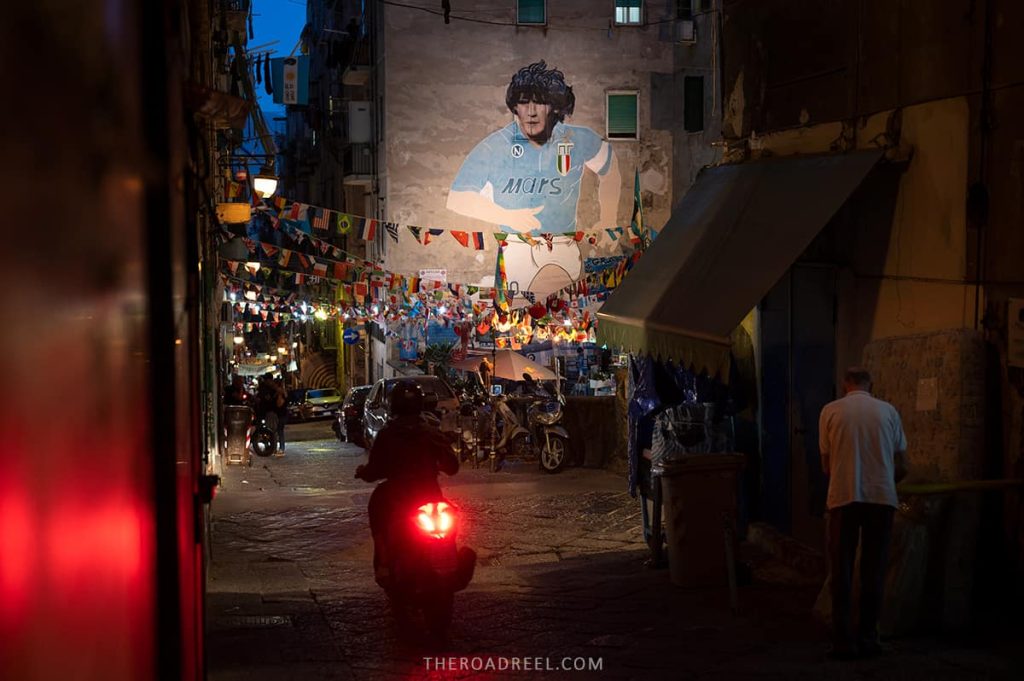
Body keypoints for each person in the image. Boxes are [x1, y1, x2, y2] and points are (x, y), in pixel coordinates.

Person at [447, 60, 621, 303]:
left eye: (539, 102)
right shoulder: (495, 146)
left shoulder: (576, 139)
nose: (531, 111)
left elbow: (610, 168)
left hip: (563, 245)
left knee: (567, 315)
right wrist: (507, 216)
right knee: (517, 319)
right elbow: (457, 198)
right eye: (523, 102)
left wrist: (608, 219)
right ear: (514, 107)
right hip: (516, 248)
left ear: (555, 107)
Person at [818, 367, 908, 659]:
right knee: (874, 570)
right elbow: (902, 463)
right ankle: (869, 638)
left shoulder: (830, 411)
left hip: (843, 498)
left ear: (845, 384)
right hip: (882, 499)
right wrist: (881, 480)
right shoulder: (889, 411)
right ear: (872, 385)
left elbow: (827, 465)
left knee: (841, 570)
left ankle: (843, 642)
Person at [354, 381, 461, 585]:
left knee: (377, 507)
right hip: (429, 492)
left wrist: (363, 472)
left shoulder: (387, 434)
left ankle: (384, 563)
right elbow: (452, 467)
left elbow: (374, 470)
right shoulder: (431, 432)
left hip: (396, 495)